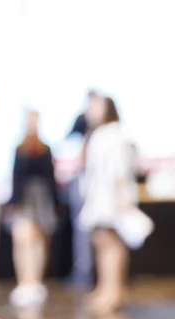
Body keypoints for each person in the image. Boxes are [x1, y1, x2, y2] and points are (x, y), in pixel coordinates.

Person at [79, 95, 136, 314]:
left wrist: (122, 200)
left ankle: (115, 292)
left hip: (112, 198)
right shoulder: (99, 135)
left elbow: (120, 170)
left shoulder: (114, 135)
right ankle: (105, 288)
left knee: (112, 244)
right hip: (99, 198)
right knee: (102, 241)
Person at [6, 111, 59, 308]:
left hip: (42, 202)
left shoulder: (45, 150)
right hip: (24, 201)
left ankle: (35, 282)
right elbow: (16, 179)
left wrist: (54, 203)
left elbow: (50, 180)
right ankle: (24, 282)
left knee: (38, 242)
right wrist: (13, 203)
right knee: (22, 240)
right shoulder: (20, 150)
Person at [67, 90, 100, 287]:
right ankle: (83, 273)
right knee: (83, 233)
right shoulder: (80, 123)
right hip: (83, 184)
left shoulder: (105, 130)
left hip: (98, 188)